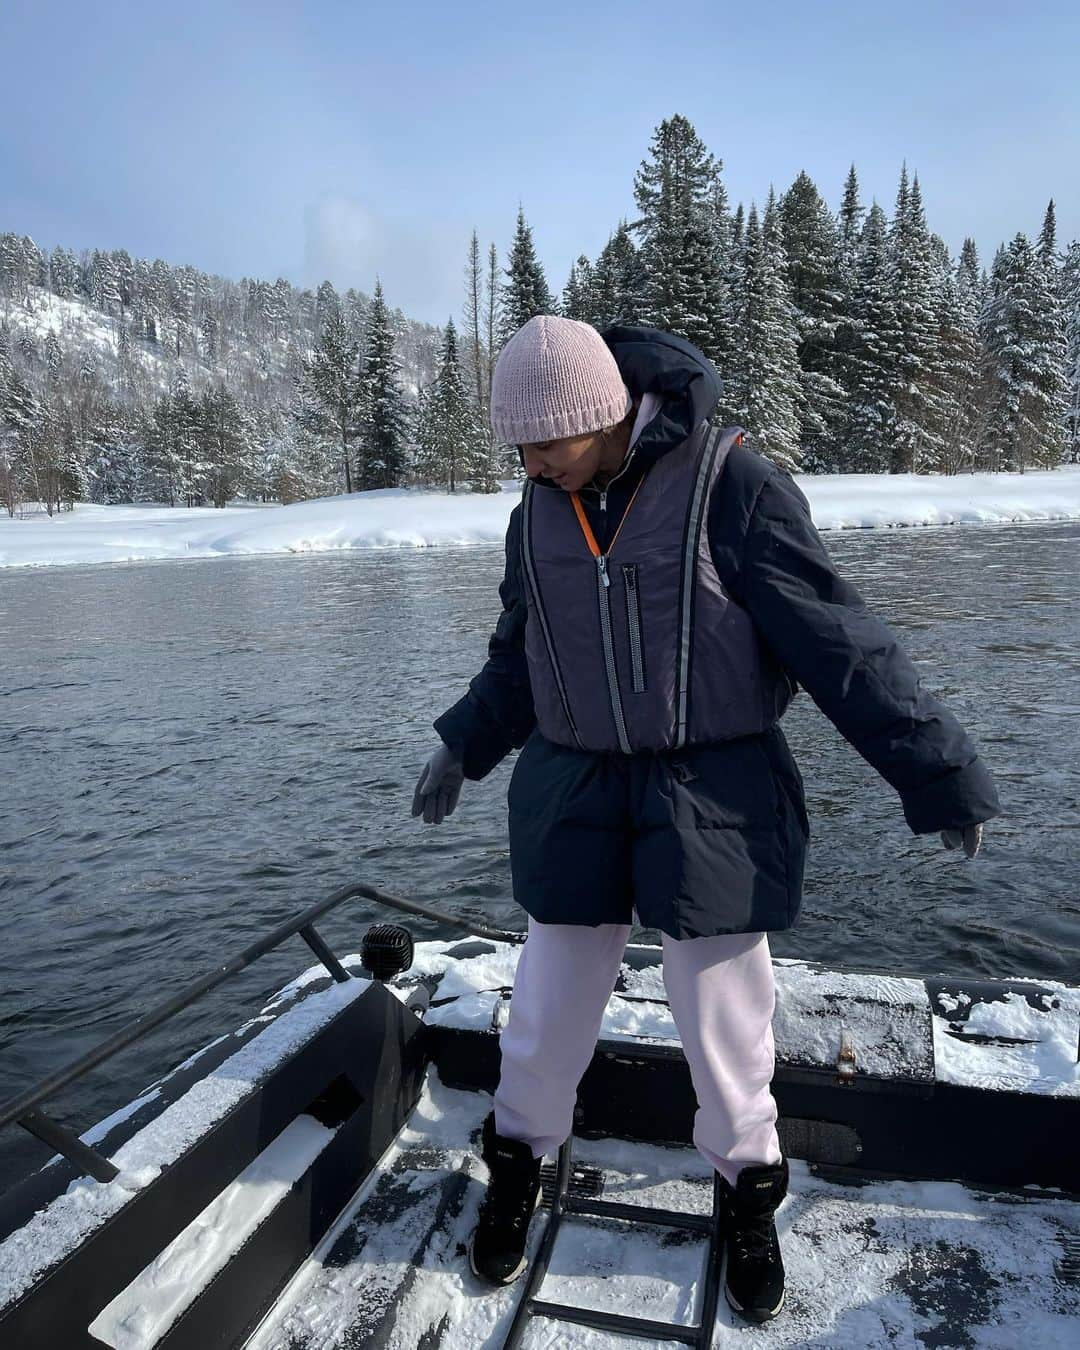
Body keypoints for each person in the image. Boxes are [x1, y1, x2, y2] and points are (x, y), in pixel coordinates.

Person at [411, 315, 1000, 1324]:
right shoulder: (537, 508)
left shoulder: (732, 485)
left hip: (713, 793)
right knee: (545, 1012)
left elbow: (839, 641)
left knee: (727, 1026)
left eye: (545, 443)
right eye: (519, 450)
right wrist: (463, 744)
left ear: (599, 414)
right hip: (575, 790)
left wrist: (936, 774)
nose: (532, 465)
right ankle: (518, 1166)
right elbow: (521, 654)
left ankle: (747, 1193)